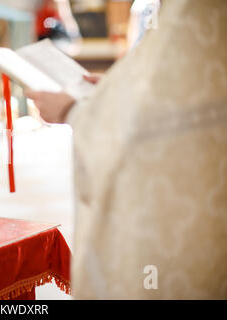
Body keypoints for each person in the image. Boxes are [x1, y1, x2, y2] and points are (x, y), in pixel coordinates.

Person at [26, 0, 227, 299]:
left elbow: (164, 125)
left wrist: (72, 110)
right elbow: (177, 93)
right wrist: (111, 90)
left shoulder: (193, 13)